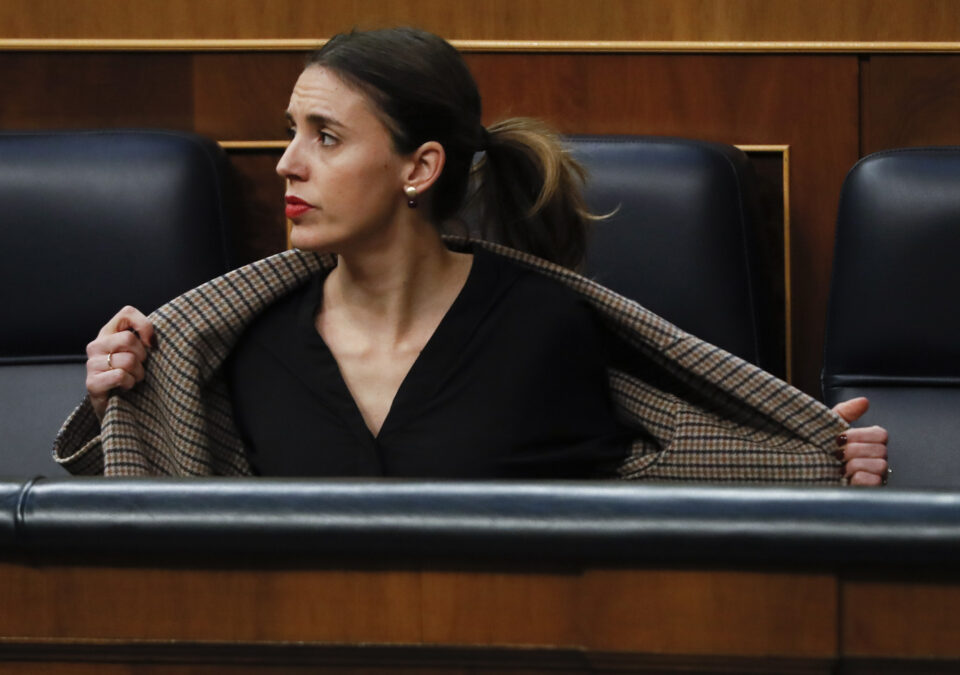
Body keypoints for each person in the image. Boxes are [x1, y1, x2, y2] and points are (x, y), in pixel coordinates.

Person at [55, 27, 888, 485]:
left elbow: (646, 481)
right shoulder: (248, 339)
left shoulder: (539, 325)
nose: (286, 164)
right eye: (290, 134)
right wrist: (118, 397)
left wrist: (815, 458)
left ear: (419, 168)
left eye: (326, 137)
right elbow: (174, 499)